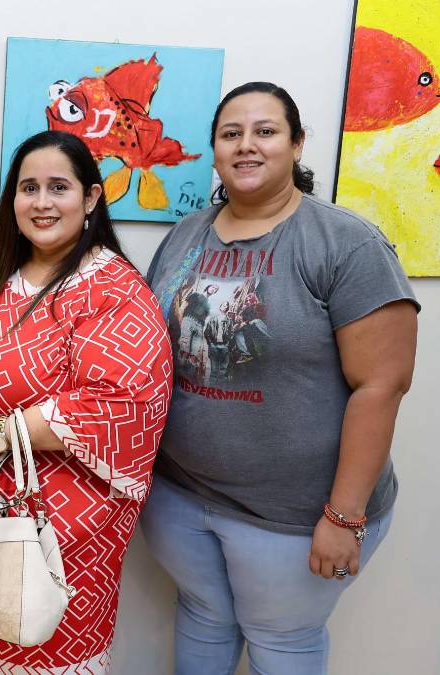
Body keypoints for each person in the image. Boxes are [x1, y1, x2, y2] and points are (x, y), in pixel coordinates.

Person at [142, 81, 419, 674]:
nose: (247, 145)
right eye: (231, 133)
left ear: (296, 144)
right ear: (215, 150)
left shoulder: (345, 244)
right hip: (182, 496)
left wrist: (344, 517)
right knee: (203, 616)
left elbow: (382, 386)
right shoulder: (186, 235)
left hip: (294, 517)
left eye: (265, 131)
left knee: (281, 641)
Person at [0, 130, 172, 673]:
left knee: (38, 642)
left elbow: (119, 405)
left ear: (91, 197)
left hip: (55, 535)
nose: (42, 202)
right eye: (28, 188)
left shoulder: (114, 291)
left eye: (58, 187)